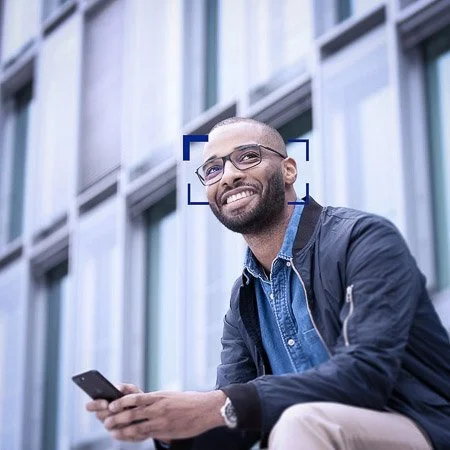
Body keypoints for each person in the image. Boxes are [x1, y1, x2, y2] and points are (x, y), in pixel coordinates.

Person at [86, 117, 450, 449]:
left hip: (422, 430)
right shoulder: (244, 298)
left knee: (300, 423)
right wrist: (164, 422)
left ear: (288, 170)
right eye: (213, 169)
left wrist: (219, 404)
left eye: (247, 157)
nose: (228, 176)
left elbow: (365, 376)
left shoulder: (363, 240)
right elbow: (236, 422)